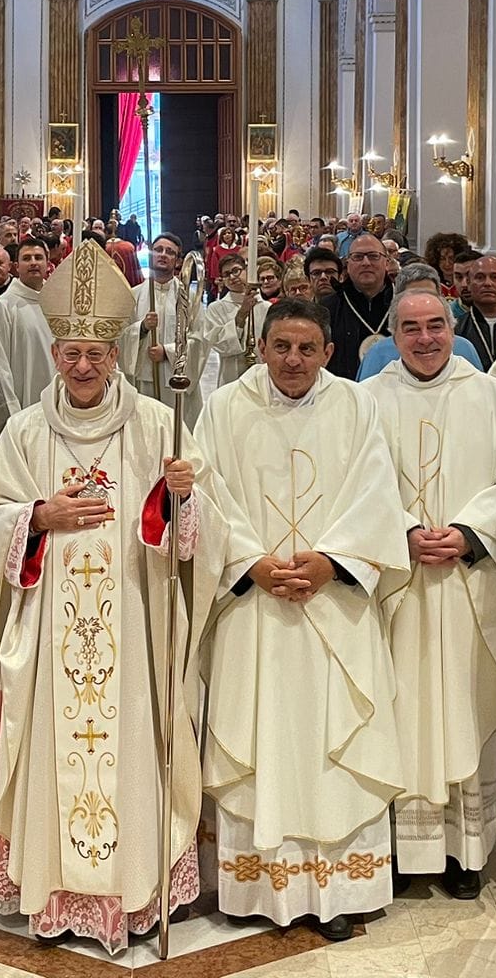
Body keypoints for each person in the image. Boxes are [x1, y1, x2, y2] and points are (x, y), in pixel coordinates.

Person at [0, 239, 219, 951]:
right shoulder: (24, 431)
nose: (82, 366)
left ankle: (135, 893)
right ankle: (53, 892)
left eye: (95, 354)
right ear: (53, 354)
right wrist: (37, 517)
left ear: (115, 356)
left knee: (133, 751)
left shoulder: (158, 424)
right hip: (50, 629)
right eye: (71, 353)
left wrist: (181, 499)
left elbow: (199, 535)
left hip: (135, 620)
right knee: (52, 751)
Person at [198, 300, 406, 941]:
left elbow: (377, 492)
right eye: (282, 346)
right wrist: (252, 563)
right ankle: (253, 886)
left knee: (329, 741)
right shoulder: (224, 408)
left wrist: (331, 562)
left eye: (307, 348)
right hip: (253, 605)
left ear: (328, 353)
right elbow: (206, 494)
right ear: (260, 348)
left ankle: (336, 889)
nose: (294, 359)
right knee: (259, 731)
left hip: (333, 601)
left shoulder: (356, 406)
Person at [367, 289, 496, 901]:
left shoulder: (492, 396)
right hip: (400, 587)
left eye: (436, 325)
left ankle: (467, 851)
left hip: (472, 586)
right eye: (411, 328)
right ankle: (402, 849)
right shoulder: (365, 400)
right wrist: (402, 530)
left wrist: (469, 533)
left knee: (469, 704)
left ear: (453, 328)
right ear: (393, 336)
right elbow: (354, 485)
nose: (426, 338)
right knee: (401, 713)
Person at [125, 233, 207, 426]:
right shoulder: (134, 296)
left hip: (175, 381)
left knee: (175, 430)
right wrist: (142, 328)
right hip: (145, 378)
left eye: (170, 252)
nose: (163, 254)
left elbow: (199, 339)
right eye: (158, 250)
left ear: (177, 261)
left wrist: (168, 352)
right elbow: (121, 336)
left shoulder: (188, 297)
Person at [0, 237, 58, 436]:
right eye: (27, 258)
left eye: (38, 257)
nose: (33, 262)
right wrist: (14, 417)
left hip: (59, 406)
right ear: (16, 266)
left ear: (48, 264)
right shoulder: (2, 308)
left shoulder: (59, 304)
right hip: (21, 412)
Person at [355, 263, 484, 380]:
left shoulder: (464, 348)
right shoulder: (378, 353)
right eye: (412, 296)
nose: (425, 339)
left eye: (429, 295)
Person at [323, 232, 395, 379]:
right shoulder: (327, 308)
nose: (366, 263)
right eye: (358, 257)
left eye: (374, 256)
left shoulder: (404, 303)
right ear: (348, 264)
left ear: (386, 263)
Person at [199, 254, 268, 391]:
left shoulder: (266, 307)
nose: (232, 277)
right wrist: (241, 314)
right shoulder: (216, 308)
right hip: (231, 377)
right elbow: (220, 345)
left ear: (247, 270)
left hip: (263, 375)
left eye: (236, 271)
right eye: (226, 274)